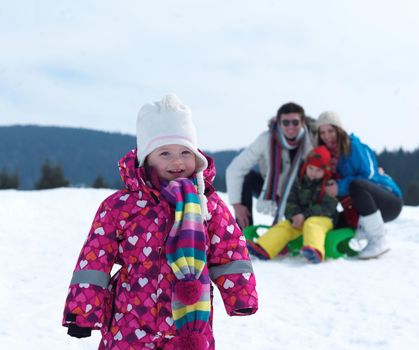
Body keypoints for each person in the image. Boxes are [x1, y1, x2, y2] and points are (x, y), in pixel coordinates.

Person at [62, 93, 258, 350]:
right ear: (146, 159)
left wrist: (240, 294)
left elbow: (230, 251)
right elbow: (95, 258)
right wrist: (82, 311)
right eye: (165, 153)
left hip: (188, 323)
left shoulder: (207, 204)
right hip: (128, 321)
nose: (177, 161)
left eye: (185, 152)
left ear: (196, 156)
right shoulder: (120, 206)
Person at [317, 111, 403, 259]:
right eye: (322, 132)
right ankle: (346, 239)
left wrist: (339, 186)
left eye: (330, 130)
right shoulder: (327, 156)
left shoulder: (353, 146)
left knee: (357, 185)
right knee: (336, 224)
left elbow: (369, 176)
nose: (326, 136)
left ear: (339, 129)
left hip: (388, 200)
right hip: (360, 207)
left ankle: (378, 239)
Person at [226, 102, 315, 229]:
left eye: (295, 122)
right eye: (285, 122)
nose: (290, 127)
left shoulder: (310, 141)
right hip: (272, 190)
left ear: (302, 122)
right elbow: (235, 168)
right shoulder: (266, 139)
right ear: (279, 122)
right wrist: (236, 205)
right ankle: (244, 234)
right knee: (248, 178)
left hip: (298, 194)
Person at [246, 146, 338, 263]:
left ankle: (315, 251)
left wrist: (304, 215)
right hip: (300, 219)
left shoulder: (328, 185)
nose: (314, 173)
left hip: (324, 220)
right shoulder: (299, 182)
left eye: (318, 170)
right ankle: (263, 248)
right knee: (285, 226)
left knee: (312, 223)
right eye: (311, 168)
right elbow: (290, 202)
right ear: (306, 167)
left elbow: (328, 208)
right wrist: (294, 215)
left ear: (325, 170)